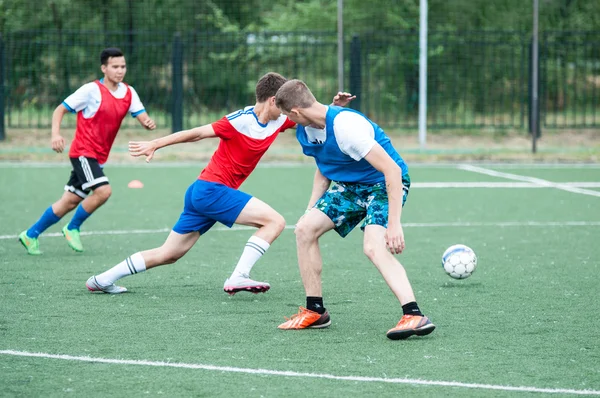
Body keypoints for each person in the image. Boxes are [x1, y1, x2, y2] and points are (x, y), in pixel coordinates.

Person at [85, 72, 354, 295]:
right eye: (282, 105)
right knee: (275, 222)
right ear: (273, 100)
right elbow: (196, 133)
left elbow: (305, 115)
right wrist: (156, 143)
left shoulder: (279, 120)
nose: (286, 112)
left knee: (169, 253)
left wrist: (333, 106)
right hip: (210, 190)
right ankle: (239, 276)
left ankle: (102, 279)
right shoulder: (239, 121)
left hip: (203, 193)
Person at [274, 79, 435, 340]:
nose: (286, 120)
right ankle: (316, 312)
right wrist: (311, 209)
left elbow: (392, 170)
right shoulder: (308, 129)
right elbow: (324, 168)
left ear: (295, 112)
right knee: (304, 229)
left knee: (373, 246)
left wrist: (394, 224)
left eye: (285, 115)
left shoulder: (347, 128)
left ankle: (414, 314)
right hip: (350, 186)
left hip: (383, 184)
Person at [18, 47, 156, 255]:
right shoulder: (90, 91)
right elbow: (60, 109)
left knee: (70, 201)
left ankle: (30, 235)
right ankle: (72, 228)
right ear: (104, 68)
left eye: (123, 66)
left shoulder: (129, 92)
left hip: (98, 157)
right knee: (103, 191)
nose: (120, 71)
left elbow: (142, 116)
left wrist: (147, 123)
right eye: (115, 66)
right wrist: (55, 135)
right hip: (83, 152)